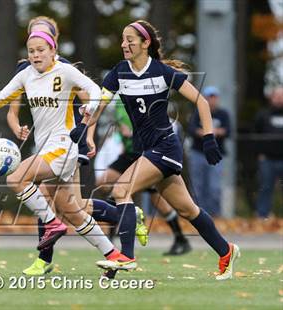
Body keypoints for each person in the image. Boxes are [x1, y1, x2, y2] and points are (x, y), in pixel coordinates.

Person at [71, 19, 240, 280]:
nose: (124, 44)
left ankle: (125, 256)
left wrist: (209, 138)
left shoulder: (162, 72)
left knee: (121, 189)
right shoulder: (118, 72)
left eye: (130, 39)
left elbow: (201, 101)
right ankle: (226, 251)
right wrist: (86, 131)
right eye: (123, 39)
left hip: (165, 147)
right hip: (146, 150)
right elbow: (97, 107)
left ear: (145, 43)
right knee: (187, 210)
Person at [0, 30, 129, 272]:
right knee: (73, 212)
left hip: (63, 146)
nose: (35, 55)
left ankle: (52, 224)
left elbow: (95, 90)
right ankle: (114, 254)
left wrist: (89, 107)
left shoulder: (64, 71)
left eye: (41, 50)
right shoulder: (25, 76)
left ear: (53, 51)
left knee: (16, 177)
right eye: (31, 51)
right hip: (48, 149)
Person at [7, 16, 145, 276]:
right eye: (31, 39)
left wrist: (90, 134)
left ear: (53, 42)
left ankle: (44, 260)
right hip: (47, 144)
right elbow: (12, 110)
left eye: (43, 37)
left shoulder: (65, 67)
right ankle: (124, 220)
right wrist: (16, 127)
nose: (36, 47)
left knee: (47, 198)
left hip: (70, 141)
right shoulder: (24, 71)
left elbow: (92, 100)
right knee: (74, 207)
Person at [96, 98, 191, 255]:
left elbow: (151, 127)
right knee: (105, 183)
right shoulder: (119, 102)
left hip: (147, 155)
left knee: (158, 201)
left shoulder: (144, 96)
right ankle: (112, 237)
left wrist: (132, 132)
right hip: (129, 154)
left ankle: (181, 238)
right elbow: (120, 124)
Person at [188, 86, 231, 216]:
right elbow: (192, 130)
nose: (212, 100)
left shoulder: (223, 114)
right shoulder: (196, 113)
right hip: (198, 153)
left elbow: (228, 131)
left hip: (217, 154)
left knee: (214, 187)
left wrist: (210, 132)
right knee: (198, 186)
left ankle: (215, 215)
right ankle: (197, 215)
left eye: (214, 97)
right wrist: (209, 133)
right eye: (209, 97)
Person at [254, 86, 283, 218]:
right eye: (277, 96)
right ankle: (263, 216)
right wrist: (259, 154)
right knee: (265, 187)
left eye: (281, 96)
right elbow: (255, 134)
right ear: (272, 98)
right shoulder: (263, 115)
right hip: (267, 159)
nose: (279, 99)